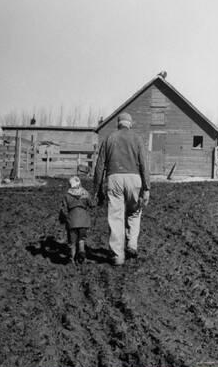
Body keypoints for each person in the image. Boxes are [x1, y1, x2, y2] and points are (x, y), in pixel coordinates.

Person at [94, 112, 150, 265]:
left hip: (114, 179)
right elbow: (144, 165)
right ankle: (132, 243)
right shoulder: (137, 139)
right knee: (135, 211)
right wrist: (147, 188)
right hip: (134, 179)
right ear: (130, 123)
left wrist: (97, 189)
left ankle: (117, 256)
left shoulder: (109, 138)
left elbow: (99, 166)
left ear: (118, 124)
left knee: (116, 216)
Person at [59, 176, 94, 264]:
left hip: (72, 220)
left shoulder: (67, 195)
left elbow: (63, 209)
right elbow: (92, 204)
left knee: (72, 242)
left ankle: (72, 259)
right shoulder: (85, 193)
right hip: (84, 220)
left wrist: (63, 218)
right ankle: (82, 253)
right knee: (81, 238)